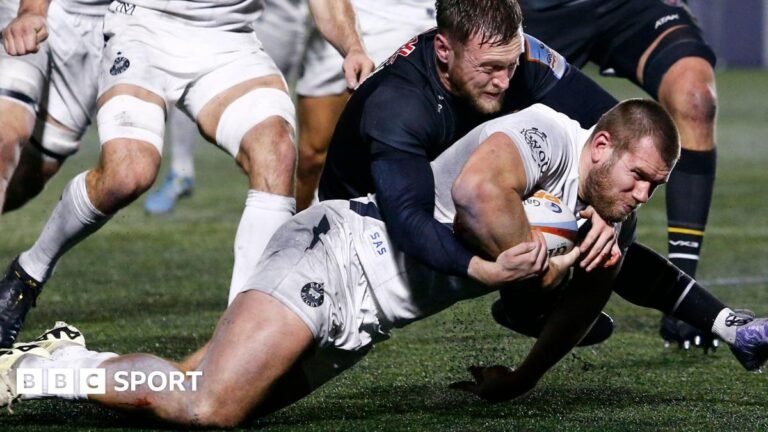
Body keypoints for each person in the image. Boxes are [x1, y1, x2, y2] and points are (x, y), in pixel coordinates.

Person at [1, 100, 765, 427]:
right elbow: (477, 192)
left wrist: (522, 377)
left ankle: (65, 362)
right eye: (638, 177)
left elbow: (577, 310)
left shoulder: (610, 222)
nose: (642, 195)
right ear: (600, 146)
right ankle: (31, 372)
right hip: (337, 254)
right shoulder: (549, 136)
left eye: (655, 187)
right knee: (209, 408)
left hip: (368, 320)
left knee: (195, 392)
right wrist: (553, 255)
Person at [0, 0, 374, 348]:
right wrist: (33, 11)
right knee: (126, 175)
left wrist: (352, 47)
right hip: (142, 27)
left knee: (276, 150)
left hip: (229, 41)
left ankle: (241, 340)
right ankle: (28, 274)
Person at [517, 0, 720, 349]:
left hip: (630, 6)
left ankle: (683, 302)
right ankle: (524, 300)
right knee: (494, 111)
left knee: (696, 99)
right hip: (538, 9)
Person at [144, 0, 309, 214]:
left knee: (270, 130)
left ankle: (280, 203)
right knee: (186, 71)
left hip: (277, 20)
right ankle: (181, 171)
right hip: (238, 16)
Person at [294, 0, 437, 210]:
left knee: (389, 149)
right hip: (342, 12)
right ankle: (293, 225)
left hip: (412, 19)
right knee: (310, 157)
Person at [0, 0, 108, 214]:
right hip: (31, 9)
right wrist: (31, 10)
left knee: (27, 179)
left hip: (103, 26)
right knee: (5, 138)